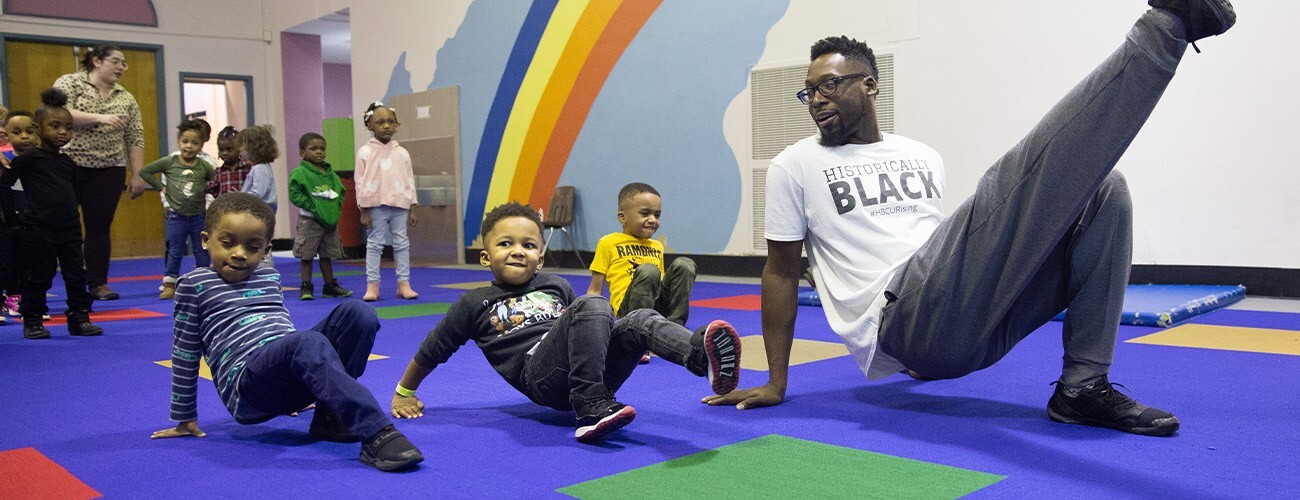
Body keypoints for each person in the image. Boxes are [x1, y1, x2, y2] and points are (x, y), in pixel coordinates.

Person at [704, 0, 1236, 438]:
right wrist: (776, 381)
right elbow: (779, 270)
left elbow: (944, 252)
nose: (815, 100)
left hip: (956, 338)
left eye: (829, 86)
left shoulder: (922, 154)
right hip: (898, 317)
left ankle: (1081, 388)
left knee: (1107, 191)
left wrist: (926, 356)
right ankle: (1164, 28)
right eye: (809, 91)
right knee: (1013, 180)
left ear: (869, 85)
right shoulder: (794, 165)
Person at [389, 202, 742, 442]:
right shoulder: (473, 302)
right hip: (541, 377)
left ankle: (699, 359)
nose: (517, 250)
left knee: (636, 320)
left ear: (540, 258)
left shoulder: (555, 285)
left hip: (588, 371)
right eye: (506, 244)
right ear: (485, 257)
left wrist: (624, 336)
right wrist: (405, 391)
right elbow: (434, 349)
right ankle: (589, 406)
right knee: (594, 303)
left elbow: (589, 328)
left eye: (528, 245)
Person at [150, 192, 424, 472]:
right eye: (228, 243)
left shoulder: (269, 276)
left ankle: (330, 418)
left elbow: (279, 326)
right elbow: (184, 353)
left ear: (266, 249)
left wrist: (296, 379)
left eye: (253, 247)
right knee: (308, 342)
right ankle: (377, 432)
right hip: (248, 389)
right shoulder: (193, 284)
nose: (240, 253)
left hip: (281, 373)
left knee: (359, 313)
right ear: (206, 240)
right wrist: (185, 417)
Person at [0, 89, 103, 339]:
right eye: (55, 126)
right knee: (39, 275)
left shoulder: (68, 163)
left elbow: (71, 195)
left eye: (68, 128)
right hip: (37, 228)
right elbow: (4, 184)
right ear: (37, 128)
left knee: (76, 275)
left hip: (68, 228)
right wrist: (13, 220)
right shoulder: (29, 159)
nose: (62, 133)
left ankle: (79, 317)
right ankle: (33, 319)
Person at [54, 44, 149, 301]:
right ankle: (62, 282)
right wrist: (100, 117)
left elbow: (135, 135)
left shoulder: (126, 97)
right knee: (62, 224)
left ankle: (98, 284)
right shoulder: (70, 83)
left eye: (124, 63)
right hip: (69, 164)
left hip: (109, 169)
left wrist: (138, 173)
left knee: (99, 227)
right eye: (116, 61)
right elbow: (60, 115)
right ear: (96, 61)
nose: (121, 67)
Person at [587, 182, 697, 364]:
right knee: (649, 270)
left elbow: (661, 283)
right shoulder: (608, 243)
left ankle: (674, 331)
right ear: (622, 217)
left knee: (685, 264)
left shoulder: (657, 246)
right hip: (630, 314)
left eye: (657, 215)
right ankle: (639, 340)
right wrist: (590, 322)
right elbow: (594, 289)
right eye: (645, 214)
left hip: (656, 307)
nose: (653, 219)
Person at [138, 120, 216, 299]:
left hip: (199, 216)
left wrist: (212, 199)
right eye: (185, 141)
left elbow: (215, 182)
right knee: (175, 250)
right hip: (177, 217)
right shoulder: (171, 161)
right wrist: (161, 188)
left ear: (201, 145)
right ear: (179, 141)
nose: (189, 146)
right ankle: (170, 284)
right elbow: (145, 172)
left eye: (194, 143)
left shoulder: (204, 165)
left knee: (201, 250)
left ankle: (204, 282)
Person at [355, 101, 418, 302]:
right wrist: (363, 210)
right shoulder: (365, 152)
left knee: (402, 244)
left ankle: (404, 284)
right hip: (375, 206)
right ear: (370, 126)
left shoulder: (402, 153)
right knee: (375, 245)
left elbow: (410, 180)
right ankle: (373, 286)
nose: (386, 126)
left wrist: (413, 206)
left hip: (400, 205)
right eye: (380, 122)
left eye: (391, 122)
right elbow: (359, 182)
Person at [288, 132, 351, 300]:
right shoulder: (300, 173)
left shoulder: (330, 174)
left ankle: (329, 285)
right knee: (307, 256)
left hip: (329, 223)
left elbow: (340, 192)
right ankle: (306, 286)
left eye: (322, 149)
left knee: (327, 254)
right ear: (302, 152)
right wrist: (312, 206)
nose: (319, 152)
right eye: (313, 149)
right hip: (309, 221)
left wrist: (333, 209)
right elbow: (294, 194)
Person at [234, 125, 279, 269]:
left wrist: (241, 197)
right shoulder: (257, 168)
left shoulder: (260, 169)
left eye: (244, 147)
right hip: (259, 213)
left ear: (254, 148)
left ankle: (266, 271)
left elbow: (258, 193)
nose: (240, 150)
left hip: (261, 214)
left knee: (262, 244)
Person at [206, 126, 251, 199]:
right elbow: (211, 192)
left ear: (239, 148)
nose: (224, 153)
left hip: (244, 207)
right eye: (221, 150)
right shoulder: (218, 172)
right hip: (224, 208)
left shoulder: (248, 169)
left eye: (229, 149)